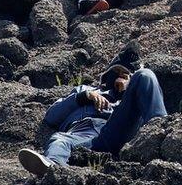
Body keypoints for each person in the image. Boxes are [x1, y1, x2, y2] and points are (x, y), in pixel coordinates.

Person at [18, 43, 166, 175]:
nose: (119, 77)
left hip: (117, 130)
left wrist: (129, 87)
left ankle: (161, 134)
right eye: (117, 72)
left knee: (146, 74)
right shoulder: (85, 90)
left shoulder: (131, 99)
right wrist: (84, 96)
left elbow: (142, 97)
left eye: (125, 74)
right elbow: (51, 116)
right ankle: (53, 170)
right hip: (84, 137)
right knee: (59, 139)